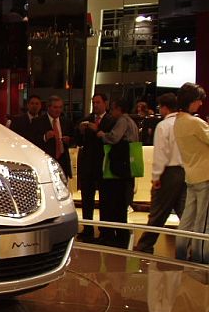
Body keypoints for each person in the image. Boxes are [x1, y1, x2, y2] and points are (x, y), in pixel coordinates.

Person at [134, 93, 186, 253]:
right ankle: (190, 246)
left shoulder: (164, 126)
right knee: (185, 212)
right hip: (185, 172)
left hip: (168, 173)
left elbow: (161, 153)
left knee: (158, 211)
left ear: (164, 107)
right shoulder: (186, 123)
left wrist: (156, 176)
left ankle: (144, 246)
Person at [173, 83, 209, 263]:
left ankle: (180, 255)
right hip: (205, 176)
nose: (201, 104)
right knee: (203, 222)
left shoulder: (177, 122)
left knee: (187, 220)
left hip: (191, 176)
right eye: (198, 101)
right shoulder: (195, 123)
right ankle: (201, 260)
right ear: (192, 101)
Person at [97, 98, 139, 247]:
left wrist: (102, 135)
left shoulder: (122, 121)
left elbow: (114, 138)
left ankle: (120, 238)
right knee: (121, 204)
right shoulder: (133, 122)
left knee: (117, 204)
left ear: (119, 109)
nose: (111, 111)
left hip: (120, 169)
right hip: (128, 169)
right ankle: (122, 236)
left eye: (113, 108)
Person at [75, 93, 113, 242]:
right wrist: (80, 131)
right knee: (87, 199)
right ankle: (87, 228)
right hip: (87, 165)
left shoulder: (110, 120)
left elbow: (110, 139)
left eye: (98, 102)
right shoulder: (86, 120)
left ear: (105, 103)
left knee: (105, 200)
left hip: (103, 164)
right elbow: (78, 142)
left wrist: (97, 129)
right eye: (93, 102)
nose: (95, 105)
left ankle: (104, 230)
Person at [32, 95, 74, 178]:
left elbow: (74, 138)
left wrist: (69, 140)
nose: (58, 110)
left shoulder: (66, 122)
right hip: (46, 161)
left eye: (60, 107)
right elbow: (32, 141)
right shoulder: (38, 121)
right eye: (55, 107)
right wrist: (45, 137)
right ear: (49, 107)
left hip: (63, 161)